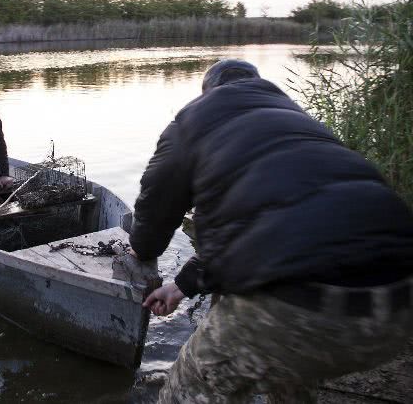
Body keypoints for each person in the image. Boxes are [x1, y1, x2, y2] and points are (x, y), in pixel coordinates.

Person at [129, 59, 413, 403]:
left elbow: (154, 207)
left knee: (182, 391)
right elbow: (272, 229)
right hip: (397, 311)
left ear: (207, 91)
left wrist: (143, 251)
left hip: (300, 312)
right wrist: (183, 286)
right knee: (288, 368)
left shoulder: (190, 125)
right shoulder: (299, 122)